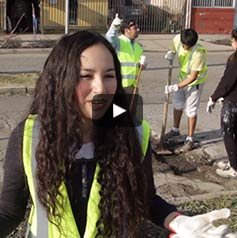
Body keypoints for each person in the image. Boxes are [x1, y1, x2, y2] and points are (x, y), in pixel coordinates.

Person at [0, 30, 236, 238]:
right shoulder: (30, 135)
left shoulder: (133, 132)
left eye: (109, 75)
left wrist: (178, 220)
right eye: (86, 75)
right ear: (60, 80)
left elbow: (144, 197)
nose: (101, 88)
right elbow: (11, 209)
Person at [164, 28, 208, 154]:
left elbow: (193, 77)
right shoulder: (178, 39)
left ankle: (189, 139)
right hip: (182, 78)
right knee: (177, 104)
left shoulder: (198, 53)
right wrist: (171, 53)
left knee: (191, 109)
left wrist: (176, 87)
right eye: (184, 45)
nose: (185, 48)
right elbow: (173, 48)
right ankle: (175, 130)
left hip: (195, 83)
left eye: (188, 46)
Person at [207, 28, 237, 178]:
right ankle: (234, 161)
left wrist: (214, 97)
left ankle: (234, 168)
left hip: (234, 102)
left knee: (228, 133)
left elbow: (227, 82)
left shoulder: (236, 60)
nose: (232, 43)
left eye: (232, 40)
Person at [106, 13, 146, 94]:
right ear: (126, 30)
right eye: (135, 28)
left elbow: (135, 65)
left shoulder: (138, 47)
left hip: (133, 87)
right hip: (119, 86)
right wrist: (114, 26)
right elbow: (109, 38)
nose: (138, 30)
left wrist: (142, 65)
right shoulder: (119, 42)